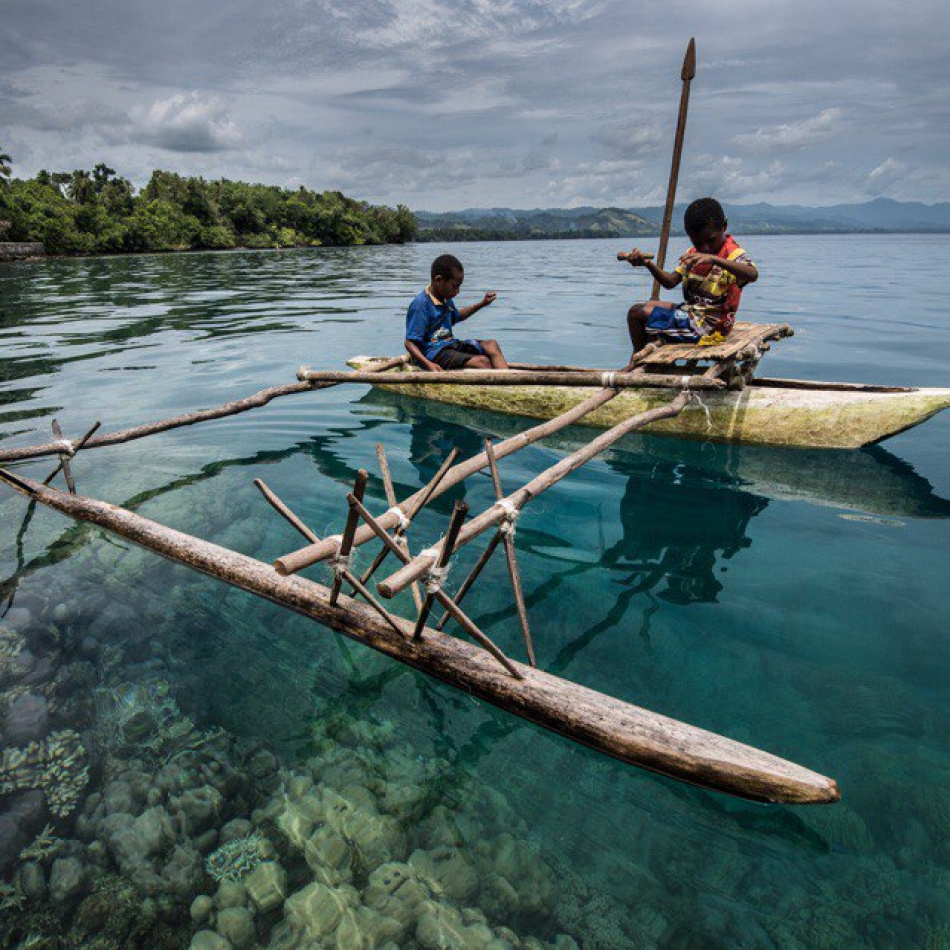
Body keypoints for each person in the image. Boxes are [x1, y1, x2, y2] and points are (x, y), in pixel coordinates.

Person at [620, 197, 758, 369]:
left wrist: (715, 260)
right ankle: (647, 362)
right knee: (644, 307)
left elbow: (753, 274)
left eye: (711, 240)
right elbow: (670, 282)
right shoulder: (692, 253)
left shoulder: (733, 255)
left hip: (708, 327)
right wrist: (648, 265)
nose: (705, 248)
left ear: (724, 227)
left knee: (636, 314)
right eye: (698, 242)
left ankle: (637, 361)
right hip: (693, 313)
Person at [405, 254, 508, 372]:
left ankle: (510, 382)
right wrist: (428, 364)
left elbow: (457, 316)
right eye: (454, 286)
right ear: (438, 280)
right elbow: (409, 343)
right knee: (482, 362)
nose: (457, 291)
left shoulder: (446, 299)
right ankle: (497, 386)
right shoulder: (421, 304)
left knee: (491, 345)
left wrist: (482, 303)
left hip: (450, 346)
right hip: (433, 354)